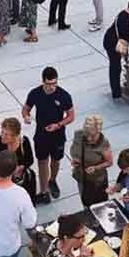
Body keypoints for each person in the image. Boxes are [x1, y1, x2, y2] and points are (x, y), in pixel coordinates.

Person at [23, 66, 75, 204]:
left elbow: (71, 116)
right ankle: (44, 191)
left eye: (54, 83)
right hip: (41, 134)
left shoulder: (64, 96)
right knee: (42, 161)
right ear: (43, 82)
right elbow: (26, 108)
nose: (52, 87)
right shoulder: (35, 93)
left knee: (56, 160)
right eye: (49, 84)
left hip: (58, 135)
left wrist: (58, 125)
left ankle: (52, 180)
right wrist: (26, 116)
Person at [69, 114, 114, 206]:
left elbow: (109, 162)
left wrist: (96, 167)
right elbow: (74, 150)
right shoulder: (78, 135)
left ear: (99, 131)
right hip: (81, 177)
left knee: (100, 206)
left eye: (92, 136)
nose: (89, 138)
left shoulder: (103, 143)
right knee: (85, 203)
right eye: (87, 134)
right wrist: (75, 159)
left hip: (97, 182)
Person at [0, 116, 37, 201]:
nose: (2, 136)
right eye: (2, 132)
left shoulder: (24, 142)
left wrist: (21, 168)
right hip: (3, 180)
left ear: (15, 136)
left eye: (6, 134)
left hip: (20, 179)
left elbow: (30, 160)